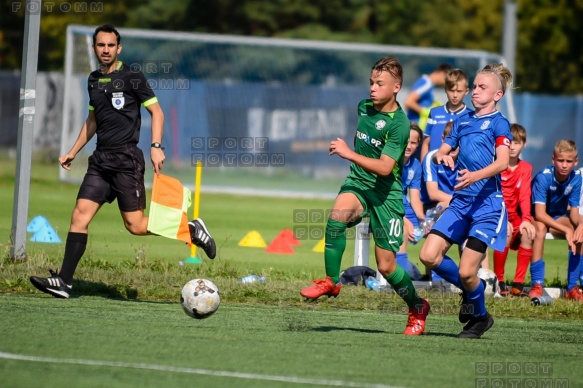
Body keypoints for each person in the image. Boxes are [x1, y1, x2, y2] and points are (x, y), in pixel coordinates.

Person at [29, 24, 216, 299]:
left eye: (110, 45)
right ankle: (64, 283)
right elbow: (92, 121)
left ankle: (191, 229)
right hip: (100, 161)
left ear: (119, 48)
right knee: (79, 215)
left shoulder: (132, 76)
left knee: (136, 225)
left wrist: (155, 146)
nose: (105, 50)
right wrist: (73, 150)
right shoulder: (93, 79)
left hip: (126, 160)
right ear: (94, 48)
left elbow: (158, 113)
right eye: (100, 45)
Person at [300, 55, 430, 336]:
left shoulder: (400, 125)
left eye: (380, 83)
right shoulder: (364, 107)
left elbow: (385, 168)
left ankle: (417, 306)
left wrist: (348, 152)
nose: (372, 88)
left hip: (387, 195)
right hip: (359, 184)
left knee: (386, 266)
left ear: (396, 87)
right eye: (371, 82)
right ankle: (332, 281)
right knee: (336, 218)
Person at [419, 63, 513, 339]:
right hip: (460, 202)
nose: (475, 91)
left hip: (487, 205)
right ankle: (473, 292)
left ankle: (480, 318)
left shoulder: (499, 123)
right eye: (475, 86)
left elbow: (503, 163)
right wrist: (443, 155)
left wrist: (474, 176)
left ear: (497, 95)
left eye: (482, 87)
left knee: (468, 270)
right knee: (428, 256)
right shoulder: (463, 120)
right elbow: (444, 149)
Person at [529, 140, 583, 301]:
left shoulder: (576, 179)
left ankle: (572, 287)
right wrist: (566, 229)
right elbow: (539, 214)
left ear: (576, 162)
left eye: (568, 161)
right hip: (536, 216)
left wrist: (580, 225)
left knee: (579, 234)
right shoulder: (544, 177)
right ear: (553, 160)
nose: (564, 165)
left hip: (556, 216)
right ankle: (537, 285)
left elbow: (573, 213)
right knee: (540, 230)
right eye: (561, 160)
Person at [493, 124, 535, 297]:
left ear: (524, 144)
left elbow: (525, 194)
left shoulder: (525, 168)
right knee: (506, 232)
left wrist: (526, 218)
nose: (511, 146)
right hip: (496, 215)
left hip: (516, 217)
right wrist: (503, 220)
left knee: (528, 233)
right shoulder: (496, 165)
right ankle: (499, 282)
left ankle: (518, 285)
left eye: (516, 142)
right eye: (508, 142)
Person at [420, 68, 472, 162]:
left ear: (466, 91)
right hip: (434, 169)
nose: (455, 95)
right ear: (445, 90)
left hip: (457, 172)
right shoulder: (434, 113)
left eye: (459, 91)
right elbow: (426, 142)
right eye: (451, 90)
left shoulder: (471, 116)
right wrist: (423, 167)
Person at [397, 122, 424, 280]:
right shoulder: (392, 160)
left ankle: (436, 282)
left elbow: (414, 197)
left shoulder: (416, 165)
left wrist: (422, 218)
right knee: (402, 230)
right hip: (388, 206)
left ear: (418, 143)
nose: (408, 146)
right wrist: (404, 219)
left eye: (413, 142)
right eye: (406, 141)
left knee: (434, 233)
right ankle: (401, 281)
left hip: (404, 205)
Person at [404, 63, 453, 130]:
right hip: (415, 127)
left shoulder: (427, 83)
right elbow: (408, 102)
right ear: (443, 74)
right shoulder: (427, 84)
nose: (445, 83)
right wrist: (426, 112)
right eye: (446, 80)